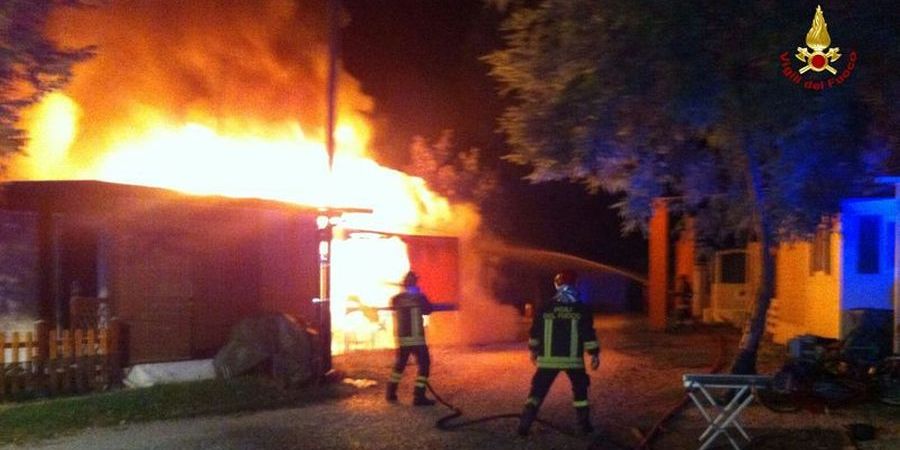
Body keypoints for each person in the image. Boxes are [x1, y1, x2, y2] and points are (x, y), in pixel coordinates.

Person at [518, 270, 600, 436]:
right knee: (580, 392)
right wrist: (594, 354)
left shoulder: (545, 307)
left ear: (557, 285)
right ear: (575, 285)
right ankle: (584, 426)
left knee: (537, 391)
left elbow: (535, 332)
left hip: (547, 361)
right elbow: (588, 333)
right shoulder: (581, 308)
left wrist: (533, 351)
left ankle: (524, 424)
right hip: (573, 361)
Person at [385, 271, 436, 406]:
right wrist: (419, 294)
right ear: (415, 283)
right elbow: (428, 310)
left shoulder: (396, 299)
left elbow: (394, 307)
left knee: (399, 367)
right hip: (417, 339)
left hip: (403, 339)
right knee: (424, 365)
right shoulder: (420, 297)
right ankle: (419, 396)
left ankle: (390, 393)